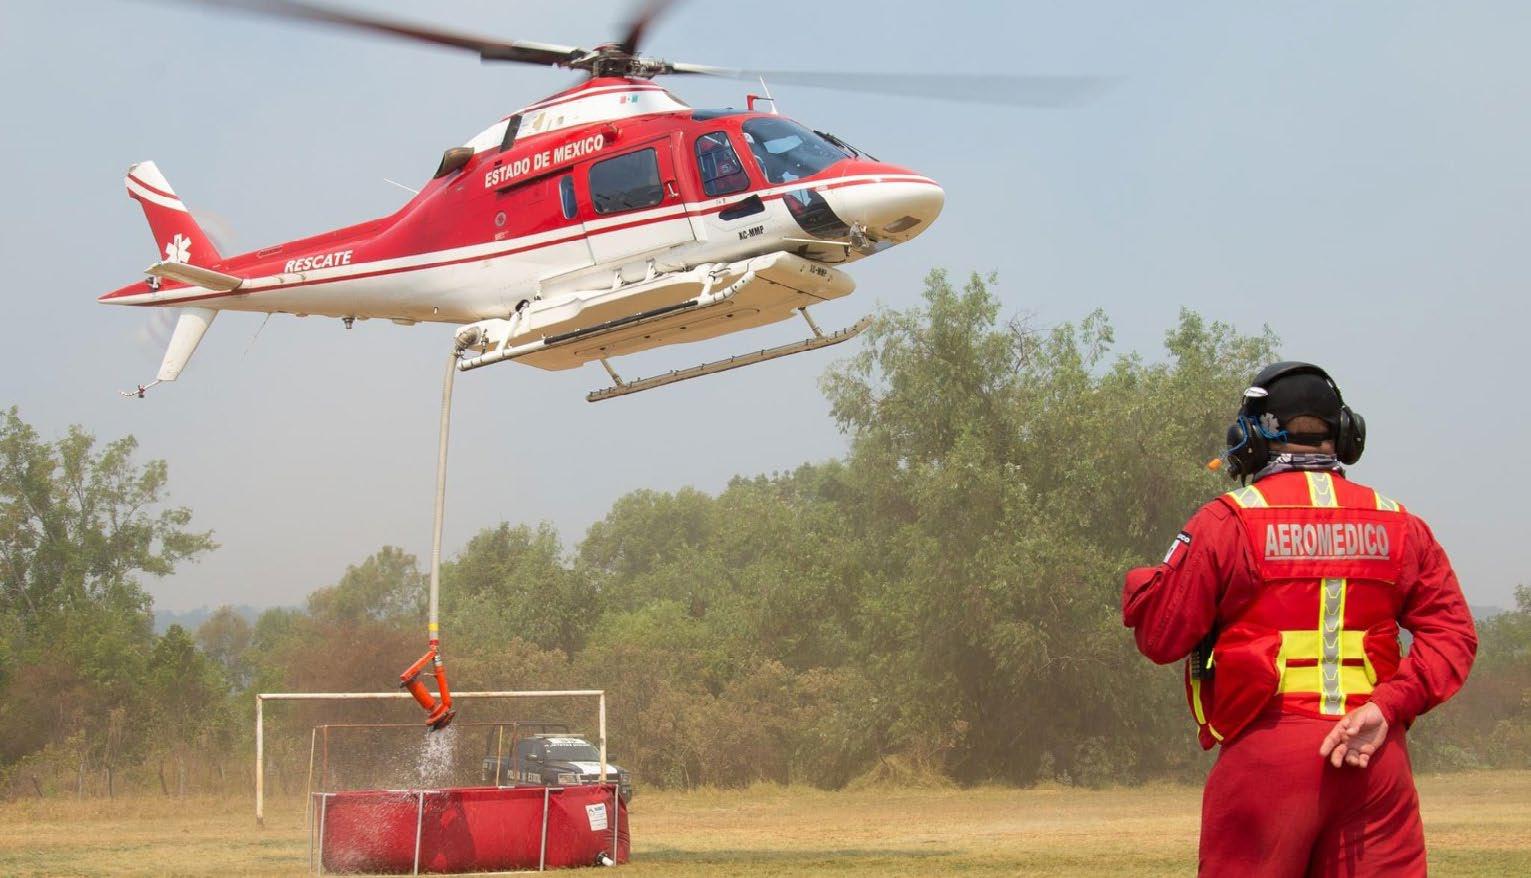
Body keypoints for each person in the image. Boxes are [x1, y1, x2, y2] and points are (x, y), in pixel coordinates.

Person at [1121, 362, 1477, 876]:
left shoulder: (1227, 520)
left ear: (1250, 437)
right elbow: (1454, 634)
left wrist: (1146, 580)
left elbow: (1160, 636)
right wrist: (1388, 706)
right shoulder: (1401, 524)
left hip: (1266, 756)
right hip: (1374, 756)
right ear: (1345, 435)